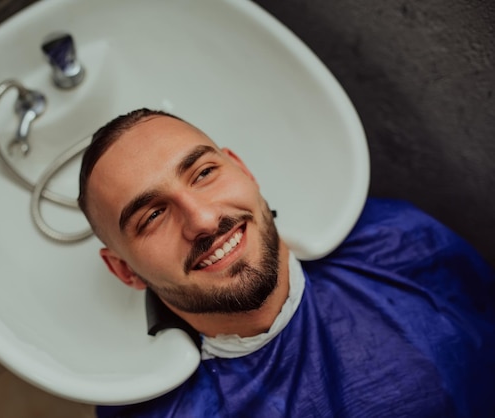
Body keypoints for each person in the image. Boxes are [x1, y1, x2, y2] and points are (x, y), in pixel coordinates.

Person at [77, 108, 495, 417]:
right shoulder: (149, 408)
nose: (203, 220)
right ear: (124, 270)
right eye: (152, 216)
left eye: (204, 173)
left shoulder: (396, 240)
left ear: (241, 168)